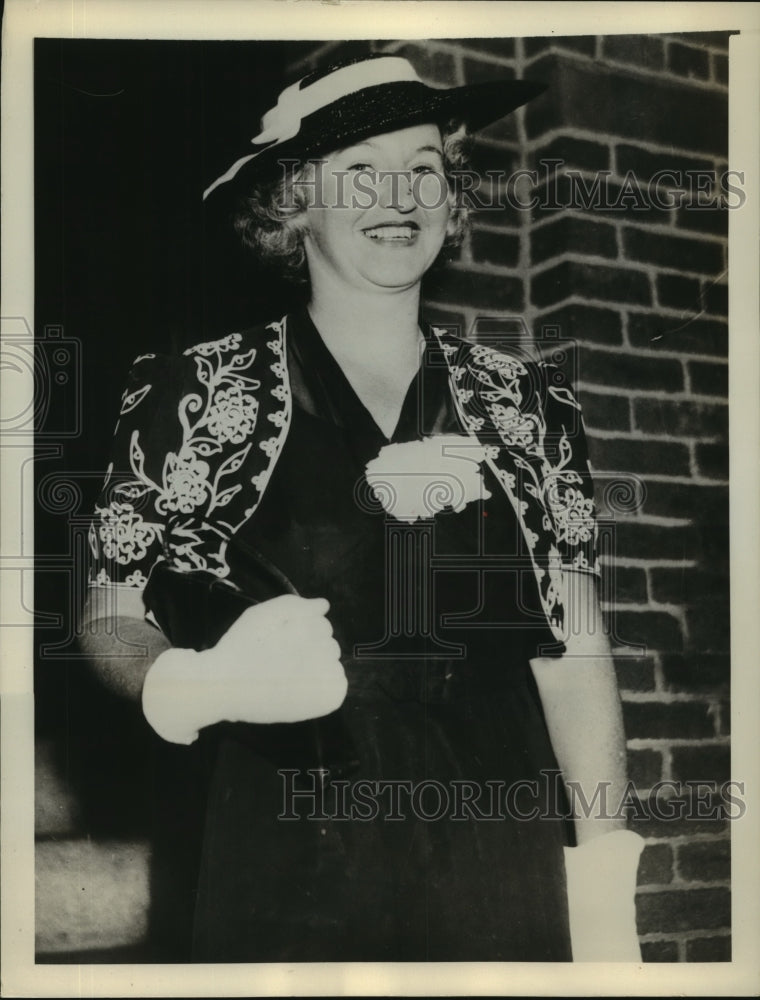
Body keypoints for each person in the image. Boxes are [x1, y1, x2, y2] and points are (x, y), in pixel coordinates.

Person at [80, 53, 644, 963]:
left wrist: (607, 894)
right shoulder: (195, 392)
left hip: (503, 848)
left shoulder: (529, 407)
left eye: (424, 166)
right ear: (293, 202)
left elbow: (576, 652)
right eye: (361, 169)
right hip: (291, 850)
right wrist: (194, 682)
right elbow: (111, 614)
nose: (401, 193)